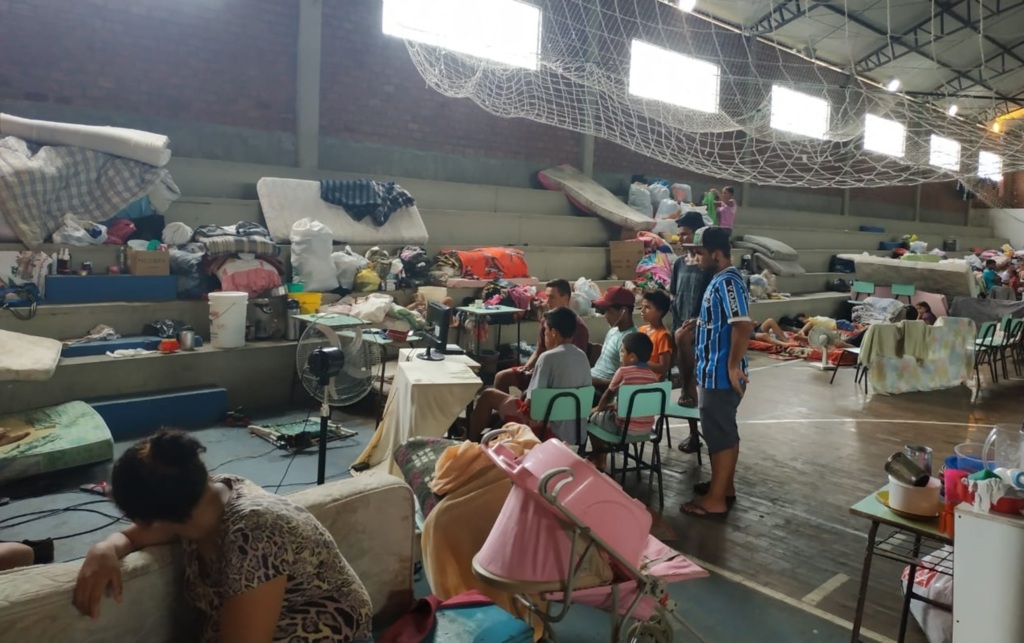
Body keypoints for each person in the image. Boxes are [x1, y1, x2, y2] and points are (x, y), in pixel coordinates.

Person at [73, 430, 374, 643]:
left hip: (332, 631)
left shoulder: (253, 535)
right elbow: (132, 538)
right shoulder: (197, 502)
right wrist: (104, 549)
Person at [680, 226, 753, 519]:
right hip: (712, 371)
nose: (696, 259)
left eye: (699, 253)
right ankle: (725, 487)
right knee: (720, 432)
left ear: (717, 253)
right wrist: (702, 322)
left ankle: (715, 500)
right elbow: (727, 320)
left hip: (720, 375)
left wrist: (733, 366)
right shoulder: (719, 280)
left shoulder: (729, 283)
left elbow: (742, 324)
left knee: (720, 434)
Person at [468, 307, 592, 443]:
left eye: (545, 331)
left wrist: (518, 398)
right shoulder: (582, 356)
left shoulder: (547, 357)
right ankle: (488, 434)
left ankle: (470, 443)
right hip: (576, 433)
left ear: (554, 333)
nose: (545, 336)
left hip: (546, 430)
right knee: (507, 403)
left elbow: (531, 404)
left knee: (488, 395)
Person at [493, 279, 589, 393]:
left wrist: (540, 372)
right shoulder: (546, 320)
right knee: (502, 377)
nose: (547, 301)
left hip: (560, 377)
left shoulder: (578, 326)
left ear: (566, 298)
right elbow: (539, 350)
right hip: (541, 368)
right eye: (546, 296)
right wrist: (526, 369)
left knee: (528, 395)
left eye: (552, 297)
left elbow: (575, 363)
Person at [588, 332, 661, 469]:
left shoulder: (623, 372)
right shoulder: (652, 376)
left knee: (592, 420)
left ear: (632, 357)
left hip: (624, 429)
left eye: (622, 351)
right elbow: (637, 403)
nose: (620, 355)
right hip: (647, 429)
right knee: (607, 413)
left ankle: (599, 457)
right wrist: (613, 406)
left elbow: (608, 394)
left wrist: (598, 409)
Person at [590, 286, 638, 395]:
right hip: (592, 379)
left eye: (608, 311)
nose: (605, 315)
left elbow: (623, 381)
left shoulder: (630, 340)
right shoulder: (613, 331)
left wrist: (595, 381)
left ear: (623, 311)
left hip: (603, 390)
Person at [638, 290, 673, 378]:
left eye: (647, 307)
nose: (642, 310)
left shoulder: (663, 336)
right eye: (642, 306)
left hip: (652, 380)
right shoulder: (641, 330)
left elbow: (663, 367)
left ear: (660, 311)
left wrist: (641, 363)